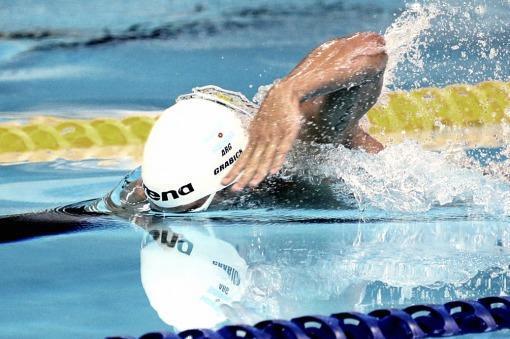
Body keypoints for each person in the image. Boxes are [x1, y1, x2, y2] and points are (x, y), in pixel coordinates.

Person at [107, 32, 388, 213]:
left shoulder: (309, 139)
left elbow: (370, 49)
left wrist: (288, 91)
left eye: (198, 207)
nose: (184, 217)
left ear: (230, 174)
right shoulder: (164, 183)